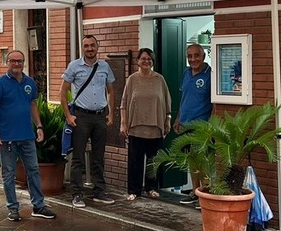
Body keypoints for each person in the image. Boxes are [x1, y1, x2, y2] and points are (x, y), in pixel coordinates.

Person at [0, 50, 57, 222]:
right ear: (7, 62)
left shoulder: (30, 83)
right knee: (8, 174)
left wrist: (39, 126)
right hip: (7, 138)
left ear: (24, 63)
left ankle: (38, 206)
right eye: (13, 61)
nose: (17, 64)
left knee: (33, 171)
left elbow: (33, 105)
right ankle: (12, 208)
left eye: (20, 61)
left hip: (27, 136)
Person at [61, 34, 116, 207]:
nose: (90, 49)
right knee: (78, 158)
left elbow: (111, 91)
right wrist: (68, 116)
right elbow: (63, 92)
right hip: (81, 117)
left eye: (92, 45)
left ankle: (99, 191)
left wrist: (111, 114)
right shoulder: (74, 66)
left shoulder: (105, 66)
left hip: (100, 117)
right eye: (86, 46)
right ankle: (77, 194)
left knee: (98, 158)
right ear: (82, 48)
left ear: (97, 47)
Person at [119, 48, 171, 201]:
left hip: (155, 127)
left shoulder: (159, 79)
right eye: (143, 58)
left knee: (153, 161)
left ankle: (151, 188)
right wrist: (123, 123)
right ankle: (134, 190)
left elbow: (167, 101)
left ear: (152, 61)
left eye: (149, 59)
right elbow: (124, 103)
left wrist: (168, 119)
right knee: (135, 161)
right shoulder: (132, 79)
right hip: (136, 127)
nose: (146, 61)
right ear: (138, 61)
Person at [173, 43, 213, 204]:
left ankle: (206, 194)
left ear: (203, 56)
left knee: (203, 161)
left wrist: (211, 124)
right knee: (191, 159)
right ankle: (195, 192)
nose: (193, 59)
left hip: (201, 125)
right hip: (185, 124)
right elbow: (184, 98)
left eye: (196, 55)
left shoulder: (210, 74)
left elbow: (215, 103)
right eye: (190, 56)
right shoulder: (186, 73)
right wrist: (178, 118)